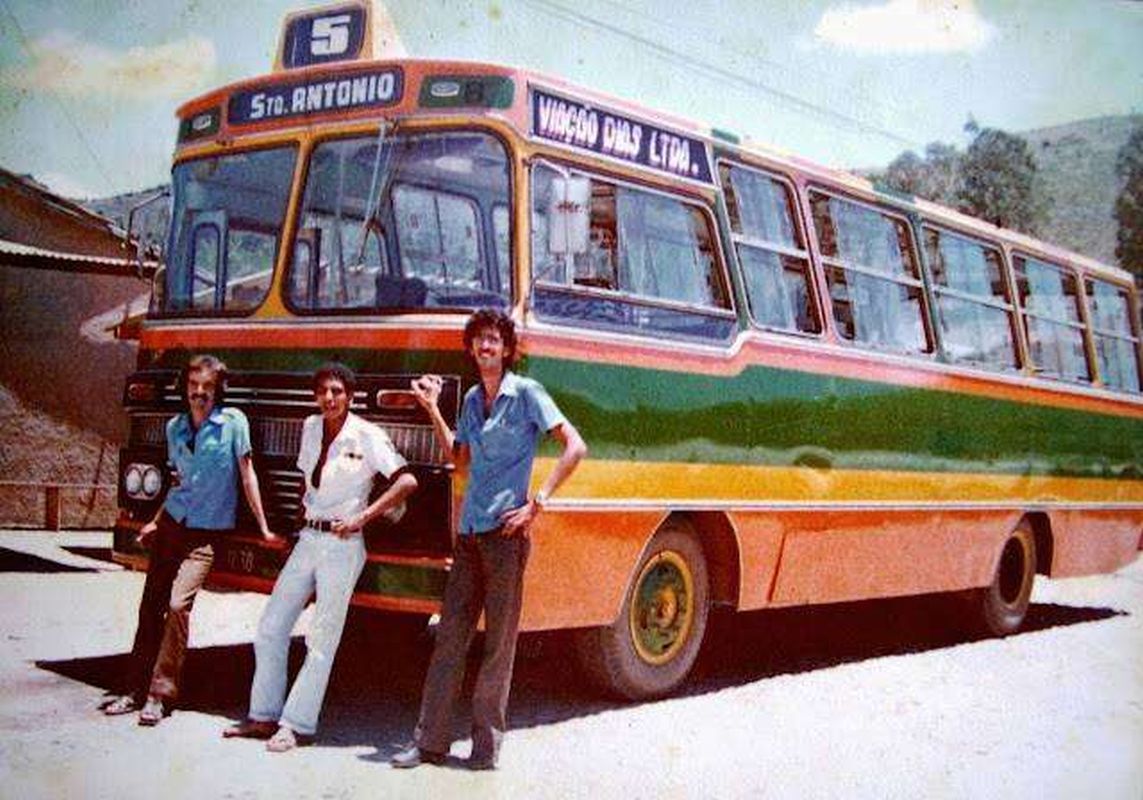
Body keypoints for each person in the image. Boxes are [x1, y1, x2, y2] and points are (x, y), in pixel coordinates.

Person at [392, 309, 586, 770]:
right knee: (449, 642)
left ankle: (484, 750)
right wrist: (433, 409)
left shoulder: (527, 394)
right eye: (478, 340)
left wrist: (537, 503)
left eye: (493, 340)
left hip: (506, 537)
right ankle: (430, 743)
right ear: (471, 348)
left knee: (497, 648)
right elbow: (459, 461)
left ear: (507, 348)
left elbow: (575, 446)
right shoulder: (472, 398)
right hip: (470, 536)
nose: (485, 347)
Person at [224, 363, 417, 752]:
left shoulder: (367, 434)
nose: (329, 398)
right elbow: (305, 483)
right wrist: (296, 525)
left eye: (337, 391)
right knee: (271, 626)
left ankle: (296, 725)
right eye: (323, 391)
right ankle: (263, 715)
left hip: (343, 546)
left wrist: (362, 517)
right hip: (308, 538)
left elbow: (407, 480)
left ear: (350, 396)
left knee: (322, 638)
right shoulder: (311, 427)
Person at [102, 354, 277, 726]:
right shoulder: (175, 428)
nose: (200, 393)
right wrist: (155, 522)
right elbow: (179, 483)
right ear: (185, 388)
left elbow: (247, 476)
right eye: (194, 386)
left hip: (206, 534)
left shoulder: (233, 423)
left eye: (207, 387)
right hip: (172, 526)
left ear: (218, 390)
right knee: (151, 605)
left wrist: (263, 527)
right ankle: (132, 690)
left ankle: (160, 694)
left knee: (178, 604)